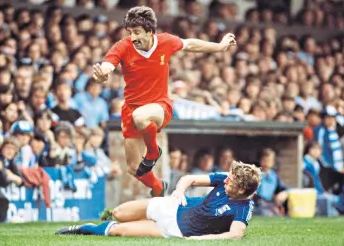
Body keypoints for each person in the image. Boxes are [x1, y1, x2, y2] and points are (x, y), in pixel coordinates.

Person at [92, 6, 236, 196]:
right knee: (134, 167)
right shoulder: (123, 46)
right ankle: (159, 187)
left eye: (137, 32)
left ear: (150, 32)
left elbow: (190, 44)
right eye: (130, 32)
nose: (133, 37)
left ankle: (153, 152)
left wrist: (219, 46)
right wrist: (102, 74)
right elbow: (107, 65)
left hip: (160, 106)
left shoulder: (166, 42)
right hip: (131, 109)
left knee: (141, 116)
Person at [55, 161, 261, 239]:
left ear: (242, 188)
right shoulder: (224, 180)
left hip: (176, 230)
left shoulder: (243, 208)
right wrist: (180, 191)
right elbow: (189, 179)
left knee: (118, 230)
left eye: (232, 180)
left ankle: (84, 229)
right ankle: (110, 217)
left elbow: (235, 235)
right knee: (118, 213)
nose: (226, 179)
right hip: (172, 206)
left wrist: (200, 240)